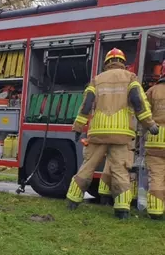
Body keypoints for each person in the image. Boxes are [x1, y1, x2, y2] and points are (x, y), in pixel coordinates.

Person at [66, 48, 159, 219]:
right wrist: (150, 124)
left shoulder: (97, 80)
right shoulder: (131, 78)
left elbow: (86, 106)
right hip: (121, 134)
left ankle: (72, 200)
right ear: (123, 62)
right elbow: (139, 103)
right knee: (120, 171)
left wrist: (78, 127)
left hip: (98, 132)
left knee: (87, 167)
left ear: (107, 62)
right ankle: (122, 210)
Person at [145, 72, 165, 219]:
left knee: (157, 176)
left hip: (156, 138)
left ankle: (155, 212)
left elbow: (143, 112)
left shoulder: (153, 91)